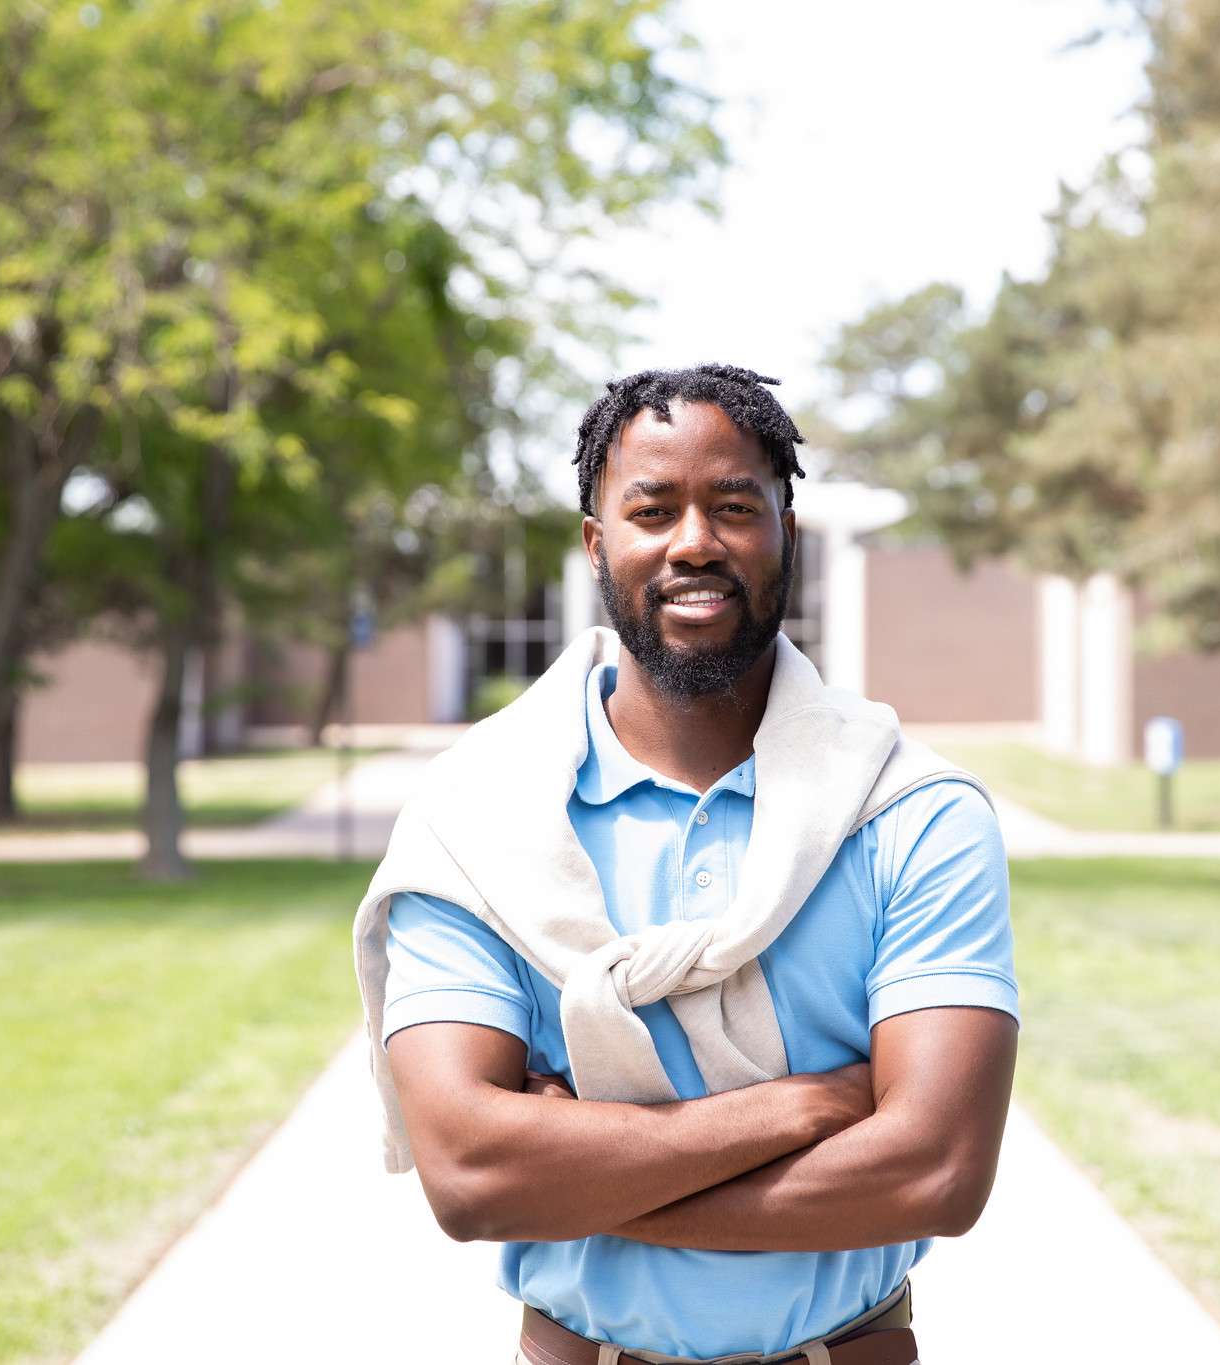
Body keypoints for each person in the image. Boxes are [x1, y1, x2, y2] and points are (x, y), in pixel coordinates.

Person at [354, 364, 1019, 1365]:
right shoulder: (475, 823)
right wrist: (796, 1110)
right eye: (652, 509)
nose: (694, 542)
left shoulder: (914, 815)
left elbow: (934, 1172)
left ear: (785, 534)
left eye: (733, 507)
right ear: (595, 545)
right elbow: (469, 1178)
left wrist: (588, 1179)